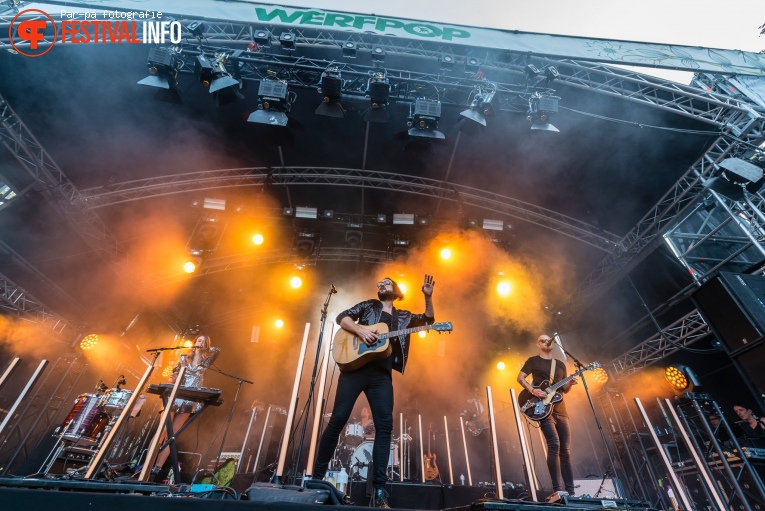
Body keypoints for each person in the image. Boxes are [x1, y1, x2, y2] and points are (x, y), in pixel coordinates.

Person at [313, 274, 435, 508]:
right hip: (354, 370)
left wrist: (428, 297)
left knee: (385, 427)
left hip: (381, 376)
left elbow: (429, 320)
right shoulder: (369, 306)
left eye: (386, 283)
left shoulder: (404, 317)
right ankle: (317, 478)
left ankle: (379, 490)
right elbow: (342, 318)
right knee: (338, 418)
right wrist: (360, 332)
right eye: (379, 284)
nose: (381, 285)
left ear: (396, 290)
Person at [517, 334, 578, 499]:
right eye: (543, 340)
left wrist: (570, 383)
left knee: (565, 450)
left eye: (548, 340)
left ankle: (571, 493)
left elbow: (563, 390)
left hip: (560, 410)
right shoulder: (533, 361)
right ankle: (558, 490)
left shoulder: (559, 364)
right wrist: (532, 390)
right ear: (538, 344)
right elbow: (520, 378)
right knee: (554, 444)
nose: (547, 341)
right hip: (542, 408)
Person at [153, 334, 220, 477]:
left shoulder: (206, 360)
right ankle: (147, 462)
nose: (201, 343)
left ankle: (156, 468)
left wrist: (204, 349)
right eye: (199, 341)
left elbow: (217, 350)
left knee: (172, 435)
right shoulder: (184, 358)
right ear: (194, 343)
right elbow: (175, 373)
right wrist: (172, 379)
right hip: (176, 395)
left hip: (190, 399)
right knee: (164, 430)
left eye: (204, 342)